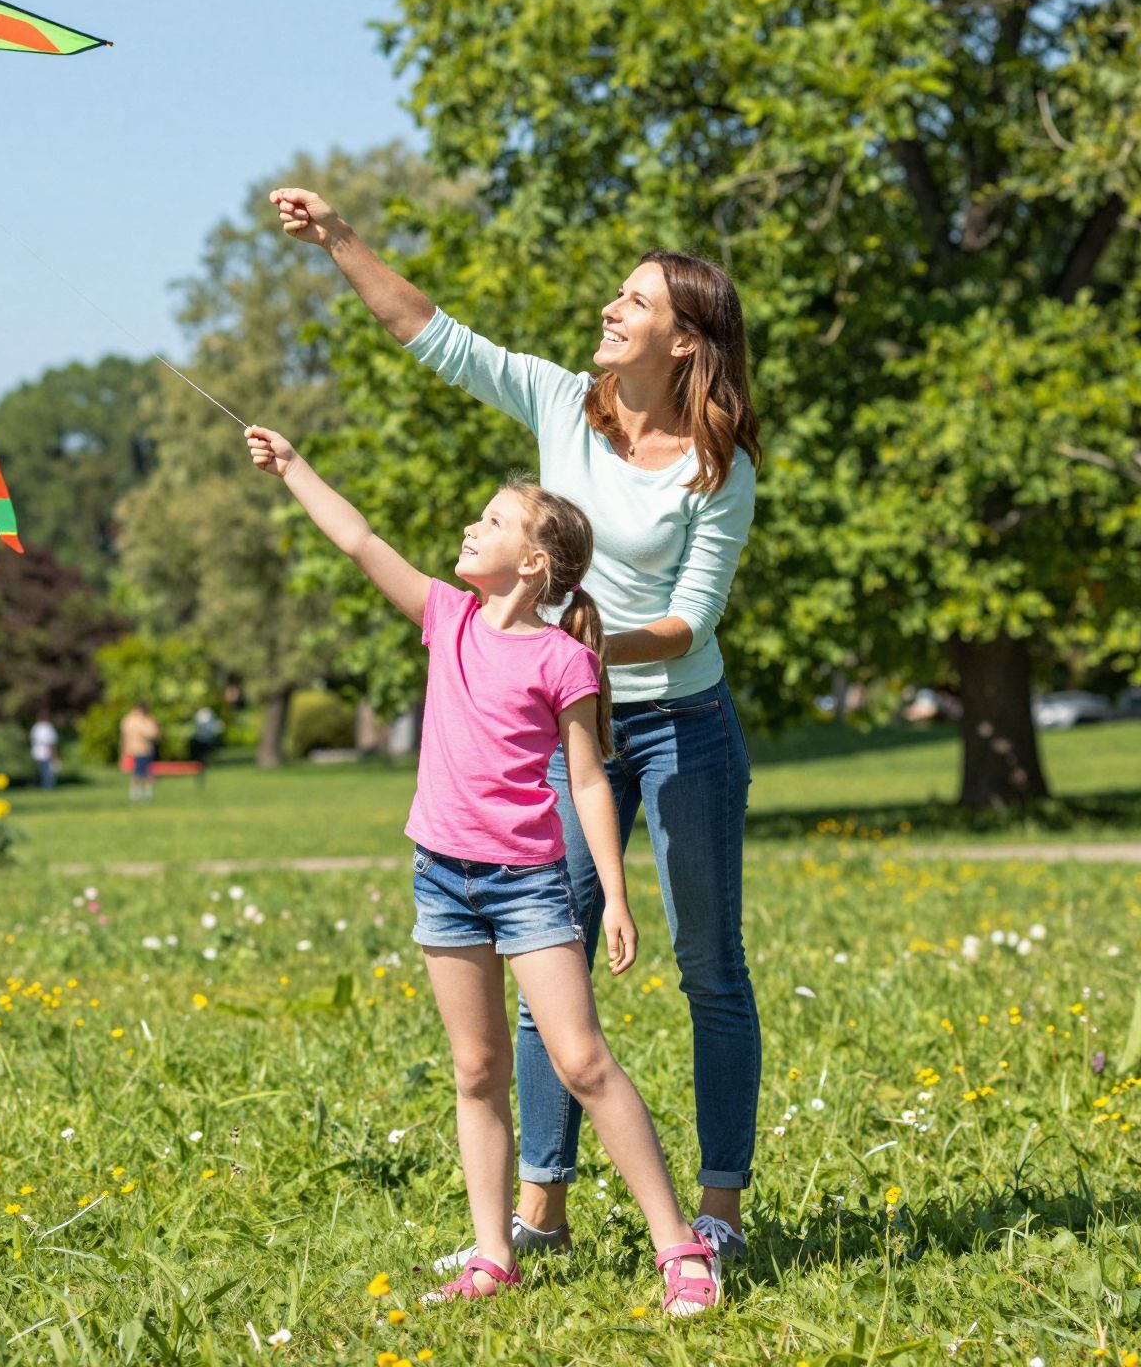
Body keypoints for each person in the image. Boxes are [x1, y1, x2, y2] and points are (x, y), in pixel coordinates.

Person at [272, 186, 762, 1271]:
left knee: (708, 968)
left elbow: (689, 622)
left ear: (683, 340)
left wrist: (579, 647)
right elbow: (424, 331)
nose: (609, 309)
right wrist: (337, 239)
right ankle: (540, 1207)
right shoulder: (557, 400)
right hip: (563, 724)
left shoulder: (716, 469)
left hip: (676, 721)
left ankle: (716, 1206)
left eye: (633, 301)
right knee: (554, 959)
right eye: (616, 294)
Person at [246, 422, 719, 1315]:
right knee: (475, 1069)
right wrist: (295, 468)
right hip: (444, 879)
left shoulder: (565, 657)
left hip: (530, 884)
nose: (471, 528)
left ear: (535, 563)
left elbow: (586, 780)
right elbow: (357, 540)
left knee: (582, 1060)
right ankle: (492, 1255)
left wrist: (614, 894)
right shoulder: (446, 616)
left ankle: (679, 1247)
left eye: (492, 521)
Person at [118, 701, 160, 803]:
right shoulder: (135, 720)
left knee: (143, 773)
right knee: (140, 773)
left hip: (144, 749)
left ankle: (142, 793)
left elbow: (155, 734)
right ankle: (138, 793)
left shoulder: (134, 720)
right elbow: (151, 733)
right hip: (139, 750)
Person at [188, 705, 223, 778]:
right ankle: (200, 768)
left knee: (202, 757)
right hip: (202, 739)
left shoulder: (203, 714)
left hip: (205, 739)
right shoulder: (202, 714)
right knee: (200, 757)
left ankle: (201, 768)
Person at [30, 710, 61, 791]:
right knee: (47, 771)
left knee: (46, 771)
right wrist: (54, 754)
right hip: (44, 752)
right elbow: (51, 742)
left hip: (40, 753)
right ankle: (47, 786)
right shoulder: (46, 727)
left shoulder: (37, 727)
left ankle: (47, 786)